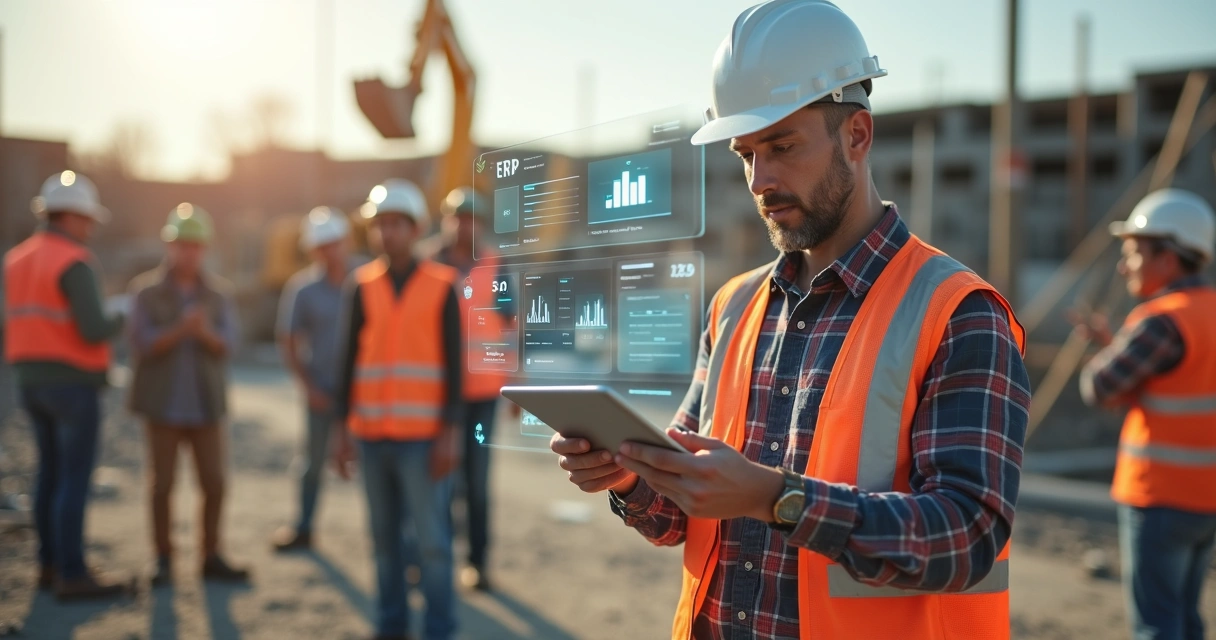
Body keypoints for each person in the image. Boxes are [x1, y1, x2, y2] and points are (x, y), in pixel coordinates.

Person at [549, 2, 1032, 638]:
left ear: (857, 135)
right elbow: (678, 516)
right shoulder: (733, 307)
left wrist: (774, 498)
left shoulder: (958, 314)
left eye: (782, 146)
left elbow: (967, 536)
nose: (760, 180)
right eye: (746, 154)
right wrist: (631, 477)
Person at [1077, 189, 1216, 640]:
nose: (1125, 267)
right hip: (1206, 498)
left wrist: (1108, 351)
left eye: (1134, 254)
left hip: (1160, 498)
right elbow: (1183, 377)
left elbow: (1099, 387)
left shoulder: (1160, 320)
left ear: (1168, 259)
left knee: (1156, 624)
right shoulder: (1206, 313)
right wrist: (1114, 343)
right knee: (1187, 617)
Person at [332, 179, 463, 640]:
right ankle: (391, 626)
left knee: (432, 544)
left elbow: (455, 369)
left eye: (396, 224)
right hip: (371, 437)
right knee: (383, 543)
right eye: (380, 224)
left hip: (423, 440)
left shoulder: (443, 286)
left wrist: (450, 436)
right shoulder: (361, 285)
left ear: (415, 229)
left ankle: (439, 629)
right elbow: (347, 362)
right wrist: (340, 431)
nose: (386, 232)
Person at [4, 171, 131, 600]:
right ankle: (73, 573)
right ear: (73, 216)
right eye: (88, 219)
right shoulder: (73, 260)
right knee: (74, 479)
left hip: (29, 381)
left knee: (48, 474)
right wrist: (121, 315)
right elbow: (94, 328)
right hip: (73, 384)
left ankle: (48, 564)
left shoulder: (17, 258)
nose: (90, 228)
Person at [127, 203, 249, 586]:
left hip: (205, 407)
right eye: (182, 245)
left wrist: (205, 333)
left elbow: (231, 344)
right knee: (161, 486)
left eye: (195, 246)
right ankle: (163, 558)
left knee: (214, 483)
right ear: (170, 246)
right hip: (162, 406)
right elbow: (140, 343)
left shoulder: (219, 294)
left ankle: (210, 554)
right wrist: (180, 330)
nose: (189, 252)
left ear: (205, 249)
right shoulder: (146, 292)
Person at [421, 187, 508, 591]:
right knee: (436, 479)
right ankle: (432, 559)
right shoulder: (427, 264)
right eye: (458, 217)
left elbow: (510, 325)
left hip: (482, 395)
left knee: (476, 480)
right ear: (446, 220)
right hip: (435, 392)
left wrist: (516, 386)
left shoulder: (496, 265)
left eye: (471, 219)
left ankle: (477, 562)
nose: (464, 225)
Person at [271, 207, 356, 552]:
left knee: (377, 465)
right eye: (322, 246)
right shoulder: (303, 290)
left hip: (364, 393)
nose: (330, 251)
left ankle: (395, 540)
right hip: (322, 390)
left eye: (334, 243)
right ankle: (304, 527)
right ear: (312, 250)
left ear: (346, 242)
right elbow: (288, 341)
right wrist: (308, 388)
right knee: (312, 462)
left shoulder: (366, 281)